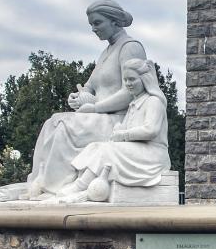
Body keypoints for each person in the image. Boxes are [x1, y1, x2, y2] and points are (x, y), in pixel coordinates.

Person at [0, 0, 147, 202]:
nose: (93, 29)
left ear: (114, 21)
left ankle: (54, 187)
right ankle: (39, 182)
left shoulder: (130, 47)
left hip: (118, 120)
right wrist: (77, 97)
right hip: (98, 116)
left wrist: (95, 108)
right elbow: (90, 86)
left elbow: (130, 93)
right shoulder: (106, 52)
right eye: (91, 24)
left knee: (63, 124)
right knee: (53, 122)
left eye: (97, 23)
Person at [58, 58, 170, 203]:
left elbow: (151, 130)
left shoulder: (154, 101)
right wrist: (119, 129)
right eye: (126, 80)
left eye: (132, 79)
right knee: (94, 146)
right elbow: (126, 128)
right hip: (138, 149)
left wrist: (124, 135)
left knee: (107, 150)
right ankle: (77, 179)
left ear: (144, 79)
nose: (128, 84)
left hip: (153, 154)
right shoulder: (134, 103)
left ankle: (81, 185)